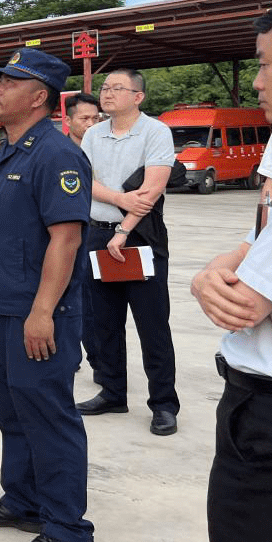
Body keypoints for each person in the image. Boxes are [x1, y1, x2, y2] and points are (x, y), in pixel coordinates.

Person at [0, 47, 94, 542]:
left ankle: (66, 530)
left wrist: (42, 312)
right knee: (12, 412)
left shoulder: (56, 155)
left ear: (39, 97)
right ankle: (23, 500)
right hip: (3, 307)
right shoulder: (7, 151)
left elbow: (65, 240)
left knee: (49, 417)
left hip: (42, 314)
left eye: (10, 82)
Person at [191, 6, 272, 542]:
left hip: (267, 406)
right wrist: (243, 252)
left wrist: (212, 277)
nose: (255, 82)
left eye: (266, 64)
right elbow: (266, 225)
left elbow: (244, 303)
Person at [76, 68, 180, 436]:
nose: (107, 93)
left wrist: (122, 231)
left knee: (152, 324)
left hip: (141, 238)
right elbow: (82, 181)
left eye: (117, 88)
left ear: (138, 97)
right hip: (96, 236)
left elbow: (151, 191)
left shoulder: (156, 132)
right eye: (104, 88)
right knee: (102, 322)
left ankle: (164, 404)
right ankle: (112, 392)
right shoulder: (92, 133)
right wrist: (119, 200)